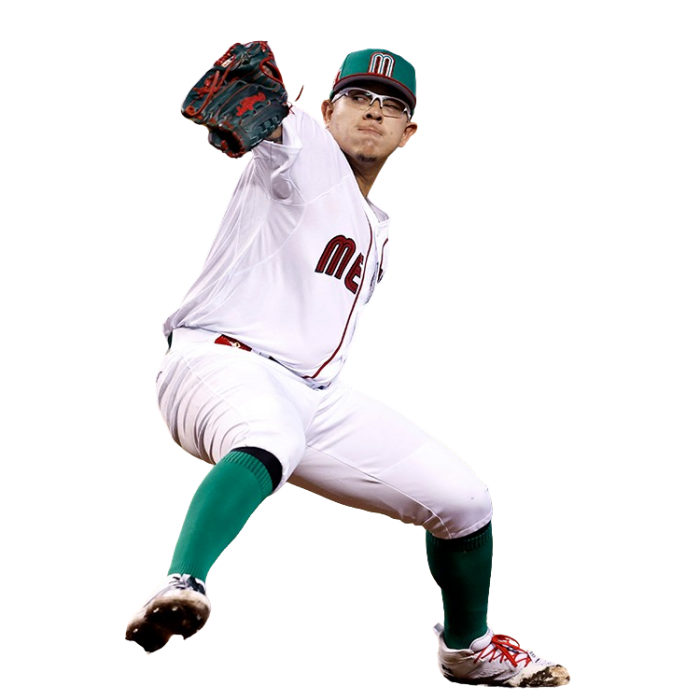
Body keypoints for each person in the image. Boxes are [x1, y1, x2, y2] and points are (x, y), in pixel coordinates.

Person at [125, 46, 570, 688]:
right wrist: (270, 116)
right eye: (359, 98)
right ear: (329, 110)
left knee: (465, 500)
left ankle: (468, 649)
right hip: (217, 362)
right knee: (269, 436)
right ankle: (182, 582)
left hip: (313, 392)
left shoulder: (378, 227)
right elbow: (268, 119)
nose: (374, 112)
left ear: (408, 133)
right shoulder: (304, 146)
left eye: (391, 106)